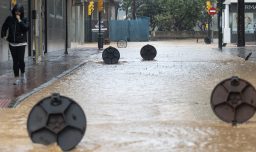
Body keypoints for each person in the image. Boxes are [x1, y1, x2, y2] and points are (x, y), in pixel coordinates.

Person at [1, 3, 29, 85]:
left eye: (19, 12)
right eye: (16, 11)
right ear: (14, 11)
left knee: (21, 60)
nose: (17, 13)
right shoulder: (10, 18)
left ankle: (23, 74)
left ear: (22, 12)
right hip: (12, 44)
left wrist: (20, 20)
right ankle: (16, 78)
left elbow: (26, 28)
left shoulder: (25, 19)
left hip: (21, 43)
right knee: (15, 61)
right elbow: (4, 27)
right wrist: (3, 36)